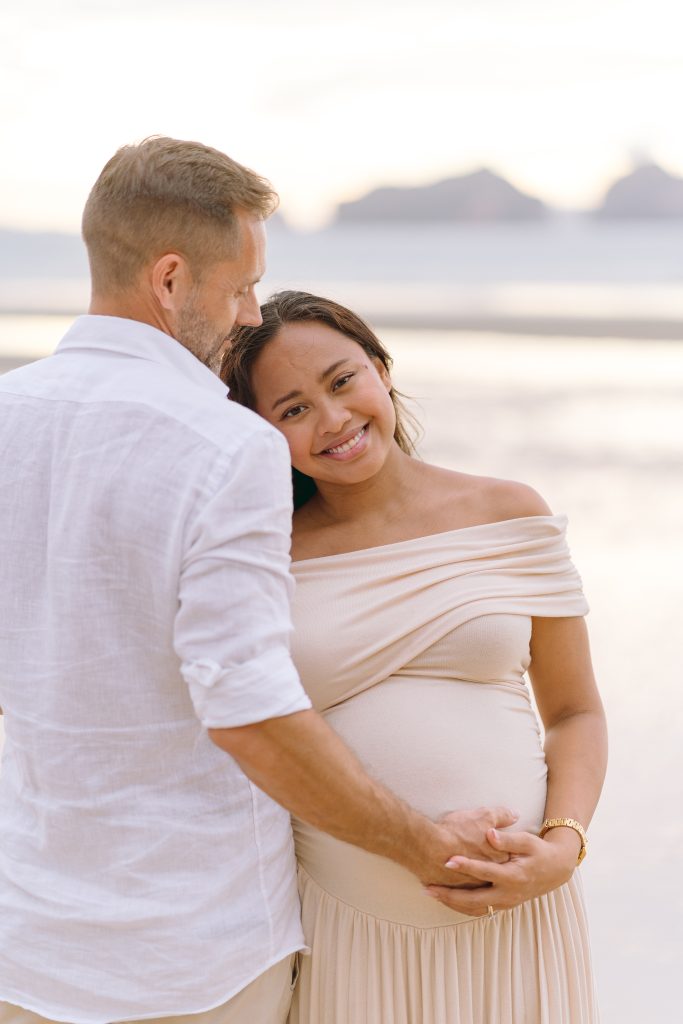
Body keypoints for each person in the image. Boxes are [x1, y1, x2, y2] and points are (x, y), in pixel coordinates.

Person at [0, 139, 517, 1024]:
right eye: (240, 287)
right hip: (192, 959)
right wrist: (421, 844)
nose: (247, 315)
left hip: (27, 944)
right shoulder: (223, 444)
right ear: (169, 281)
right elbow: (250, 714)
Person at [222, 289, 609, 1024]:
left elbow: (573, 710)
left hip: (523, 922)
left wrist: (563, 847)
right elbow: (256, 742)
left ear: (381, 369)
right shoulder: (264, 556)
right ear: (261, 434)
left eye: (342, 382)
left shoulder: (507, 514)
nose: (334, 420)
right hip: (347, 930)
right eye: (292, 409)